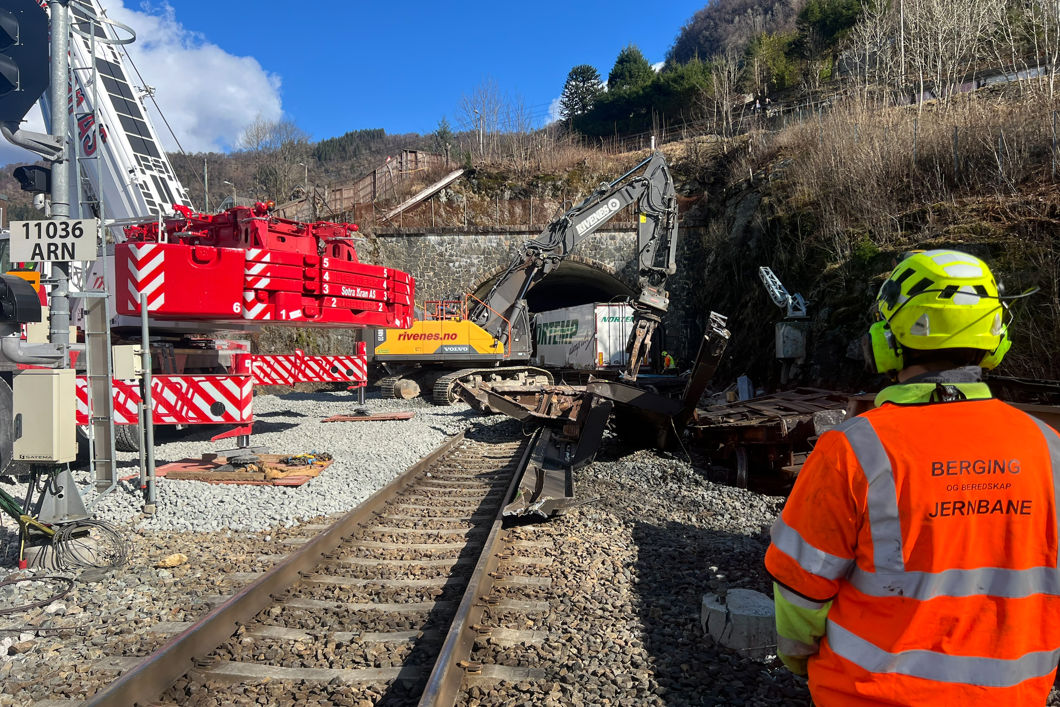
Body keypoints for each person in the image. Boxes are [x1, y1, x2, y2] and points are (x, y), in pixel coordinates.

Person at [765, 249, 1060, 705]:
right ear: (997, 337)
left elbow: (799, 594)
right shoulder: (1049, 449)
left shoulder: (852, 451)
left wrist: (802, 660)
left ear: (887, 339)